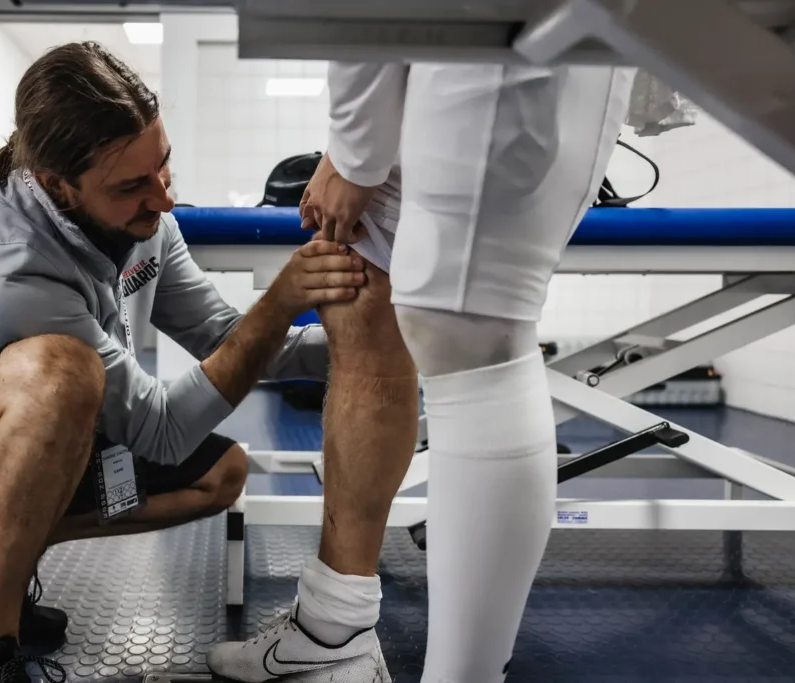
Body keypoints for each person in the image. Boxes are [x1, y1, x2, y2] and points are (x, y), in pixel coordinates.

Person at [0, 42, 368, 683]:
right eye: (132, 186)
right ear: (60, 184)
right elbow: (161, 428)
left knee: (222, 472)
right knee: (65, 373)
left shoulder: (149, 223)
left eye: (163, 168)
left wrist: (355, 355)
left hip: (5, 445)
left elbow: (226, 339)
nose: (164, 200)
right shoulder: (5, 266)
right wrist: (281, 301)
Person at [207, 62, 634, 681]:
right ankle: (334, 631)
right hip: (549, 65)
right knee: (397, 319)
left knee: (472, 336)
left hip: (480, 63)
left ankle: (439, 665)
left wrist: (355, 156)